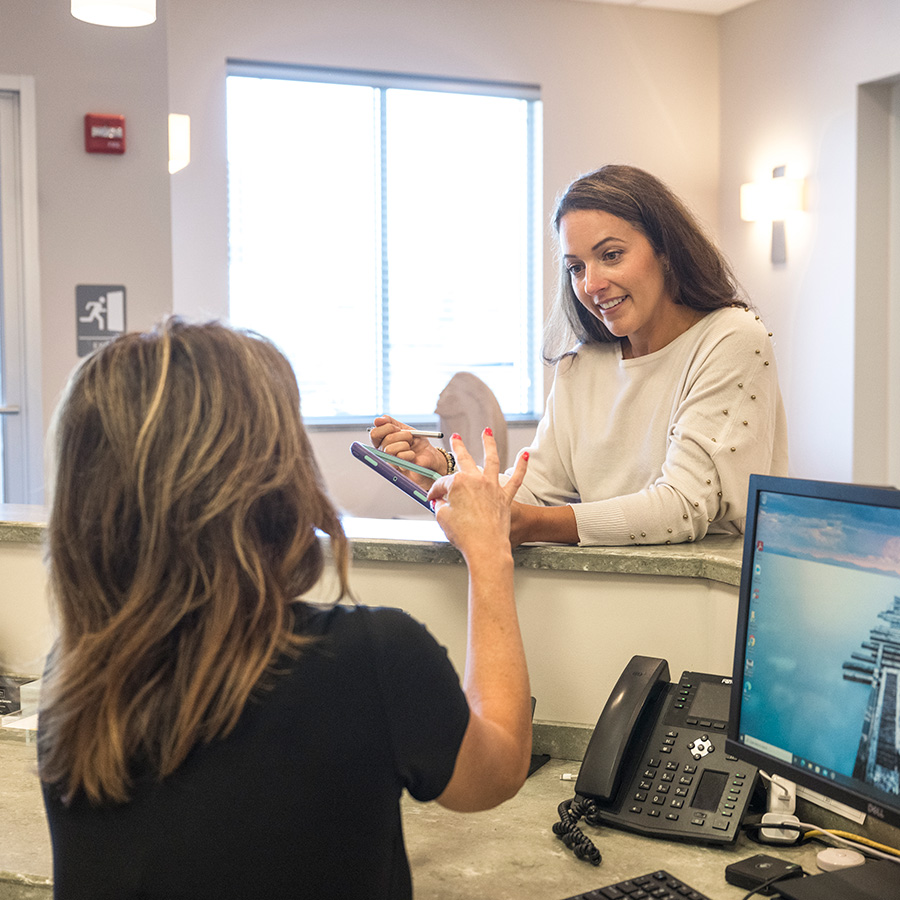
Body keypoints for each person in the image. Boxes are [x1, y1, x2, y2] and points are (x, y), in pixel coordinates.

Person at [37, 318, 532, 900]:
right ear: (273, 481)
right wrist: (488, 551)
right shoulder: (369, 658)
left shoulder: (72, 679)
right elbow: (496, 768)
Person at [370, 164, 788, 547]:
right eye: (576, 267)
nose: (591, 284)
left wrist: (531, 523)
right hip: (599, 599)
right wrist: (442, 468)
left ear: (666, 250)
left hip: (709, 607)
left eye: (611, 255)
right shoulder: (581, 365)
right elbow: (534, 490)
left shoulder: (731, 338)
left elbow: (682, 506)